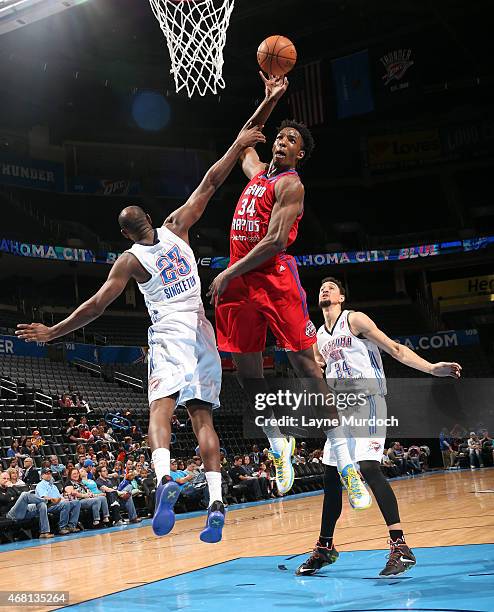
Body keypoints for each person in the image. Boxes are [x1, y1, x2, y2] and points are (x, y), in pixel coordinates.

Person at [17, 120, 267, 545]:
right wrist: (239, 140)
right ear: (150, 219)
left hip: (170, 330)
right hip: (202, 330)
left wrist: (54, 331)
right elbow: (210, 181)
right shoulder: (177, 226)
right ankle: (216, 503)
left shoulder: (129, 261)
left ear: (124, 234)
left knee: (160, 411)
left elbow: (95, 307)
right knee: (203, 418)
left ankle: (165, 476)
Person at [208, 74, 367, 505]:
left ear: (301, 153)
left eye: (290, 138)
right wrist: (269, 100)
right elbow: (244, 141)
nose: (281, 140)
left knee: (308, 371)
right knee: (247, 375)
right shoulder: (257, 172)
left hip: (273, 281)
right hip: (240, 285)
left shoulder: (290, 184)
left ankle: (348, 465)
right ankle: (279, 443)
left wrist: (226, 272)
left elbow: (276, 242)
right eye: (279, 135)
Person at [296, 277, 462, 577]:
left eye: (331, 287)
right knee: (332, 479)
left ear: (342, 297)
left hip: (367, 401)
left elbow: (395, 349)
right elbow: (317, 367)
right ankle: (325, 547)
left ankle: (400, 547)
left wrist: (432, 368)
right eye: (322, 286)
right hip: (340, 411)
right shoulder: (318, 335)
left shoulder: (355, 319)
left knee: (369, 467)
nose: (325, 289)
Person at [0, 471, 54, 539]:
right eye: (4, 478)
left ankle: (44, 532)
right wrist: (11, 491)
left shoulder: (11, 488)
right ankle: (47, 500)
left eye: (8, 479)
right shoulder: (7, 488)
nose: (6, 480)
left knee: (41, 505)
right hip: (9, 515)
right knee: (25, 494)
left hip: (21, 511)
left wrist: (13, 493)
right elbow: (6, 499)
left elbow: (19, 494)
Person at [35, 468, 81, 535]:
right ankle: (62, 527)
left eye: (50, 473)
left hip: (58, 504)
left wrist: (64, 499)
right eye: (46, 473)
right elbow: (44, 497)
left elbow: (59, 497)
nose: (48, 475)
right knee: (66, 504)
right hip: (47, 506)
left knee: (76, 502)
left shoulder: (53, 486)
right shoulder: (40, 485)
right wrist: (58, 501)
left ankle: (72, 525)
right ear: (42, 476)